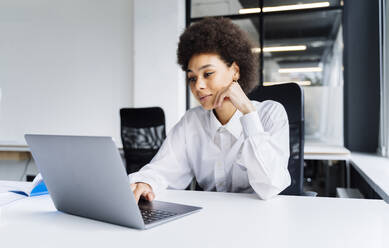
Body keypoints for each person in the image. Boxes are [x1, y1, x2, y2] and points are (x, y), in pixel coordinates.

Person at [130, 17, 291, 203]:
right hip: (208, 221)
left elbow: (270, 186)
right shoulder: (192, 122)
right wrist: (146, 183)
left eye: (208, 74)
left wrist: (248, 112)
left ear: (235, 71)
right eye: (192, 78)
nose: (198, 85)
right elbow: (162, 169)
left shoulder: (271, 114)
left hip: (260, 223)